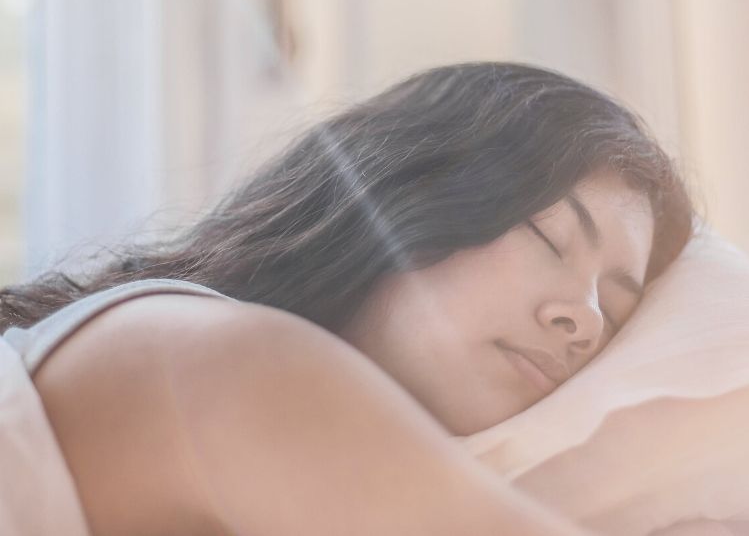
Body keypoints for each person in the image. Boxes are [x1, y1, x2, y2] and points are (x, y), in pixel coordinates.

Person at [0, 62, 693, 535]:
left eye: (616, 308)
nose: (585, 318)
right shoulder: (226, 359)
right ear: (406, 190)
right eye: (548, 236)